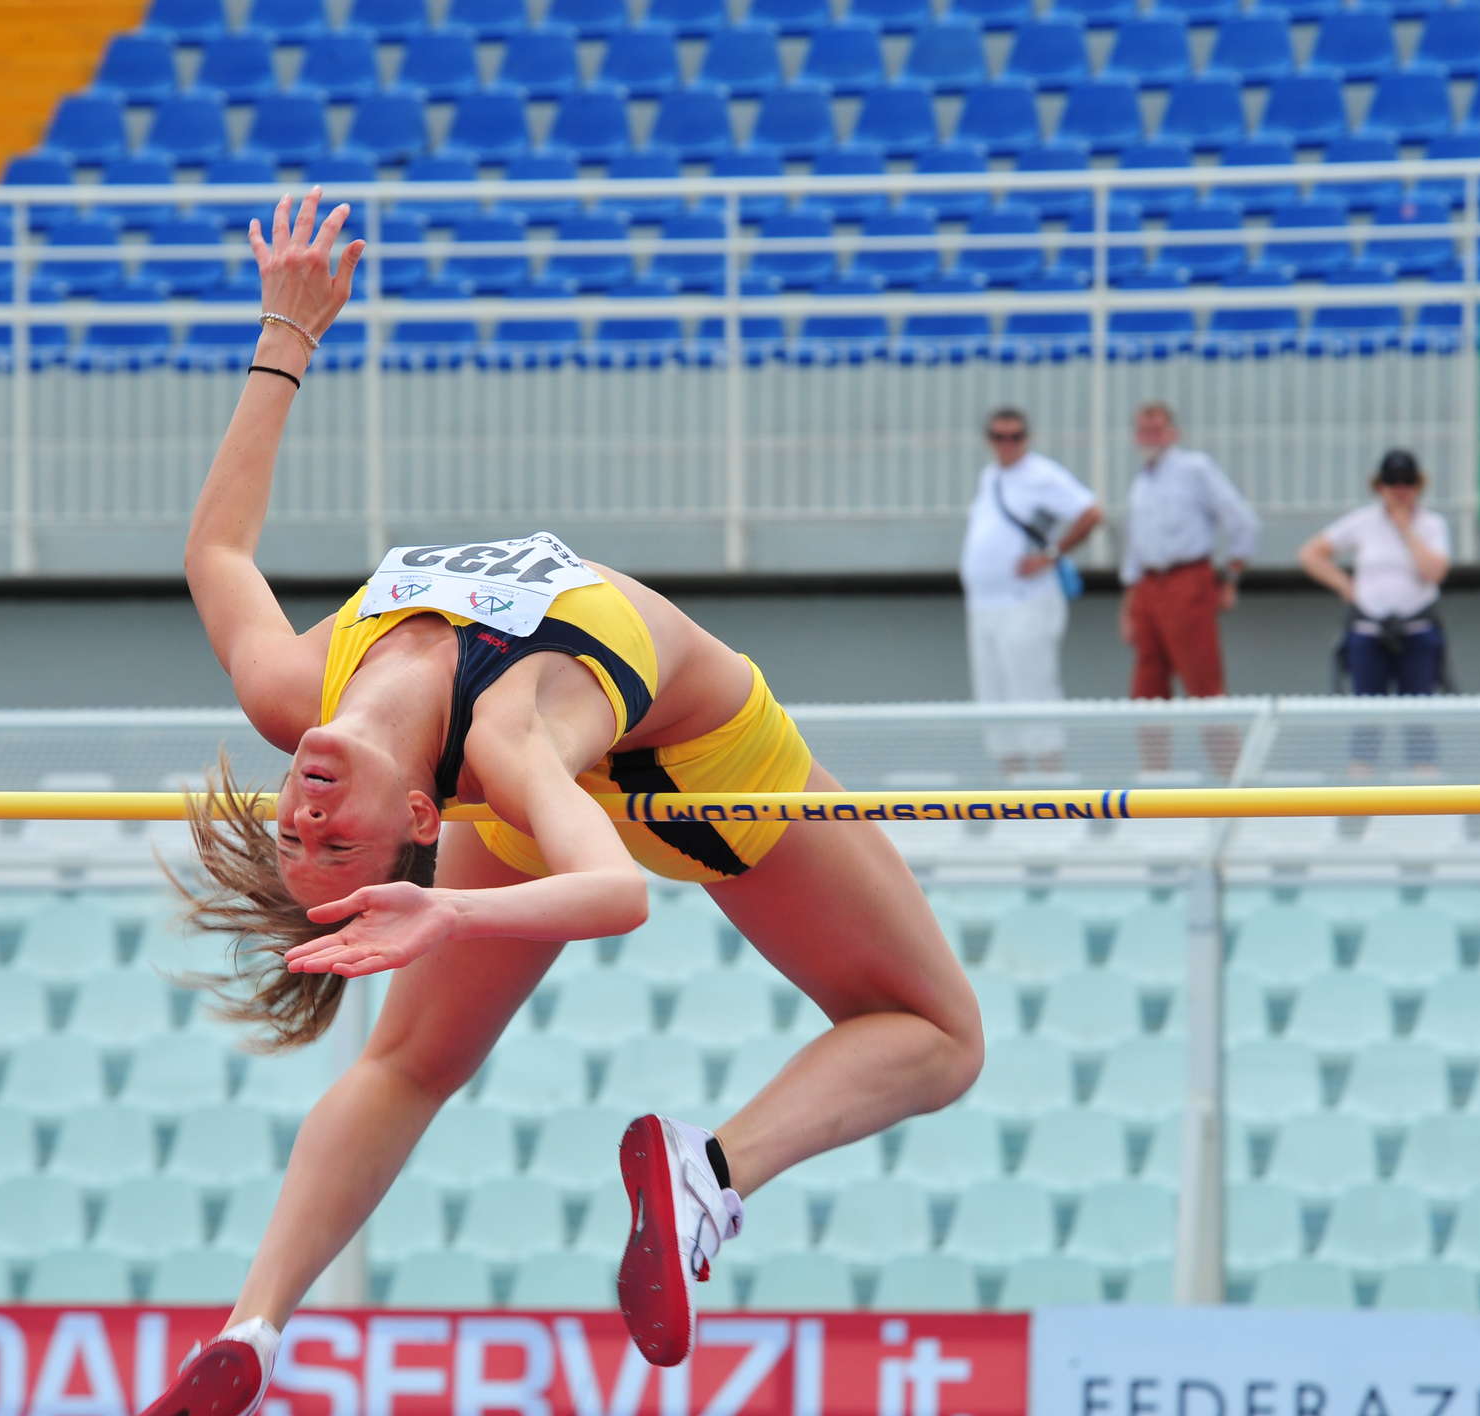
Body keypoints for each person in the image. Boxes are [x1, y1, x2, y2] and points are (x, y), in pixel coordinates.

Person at [139, 190, 983, 1415]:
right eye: (336, 840)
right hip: (703, 777)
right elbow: (615, 890)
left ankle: (256, 1330)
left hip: (566, 790)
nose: (307, 813)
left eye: (295, 830)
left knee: (410, 1062)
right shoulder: (506, 738)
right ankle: (701, 1180)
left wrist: (288, 334)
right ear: (419, 821)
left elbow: (216, 557)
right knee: (938, 1034)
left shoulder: (292, 691)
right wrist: (449, 914)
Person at [957, 406, 1102, 772]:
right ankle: (1011, 785)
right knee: (993, 697)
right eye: (999, 437)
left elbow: (1090, 513)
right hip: (984, 605)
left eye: (1015, 437)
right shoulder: (990, 476)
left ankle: (1049, 782)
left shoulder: (1042, 475)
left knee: (1032, 691)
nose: (1007, 444)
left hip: (1025, 601)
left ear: (1027, 438)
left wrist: (1051, 555)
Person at [1298, 450, 1452, 768]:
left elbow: (1434, 572)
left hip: (1417, 631)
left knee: (1419, 725)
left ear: (1418, 486)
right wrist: (1346, 587)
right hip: (1369, 633)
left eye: (1407, 482)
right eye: (1393, 482)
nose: (1400, 490)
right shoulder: (1363, 521)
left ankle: (1424, 789)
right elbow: (1310, 554)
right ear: (1380, 486)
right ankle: (1361, 788)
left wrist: (1405, 529)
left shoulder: (1432, 524)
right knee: (1366, 724)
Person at [1117, 401, 1259, 702]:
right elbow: (1136, 545)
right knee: (1147, 681)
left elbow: (1242, 522)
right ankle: (1152, 735)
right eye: (1144, 431)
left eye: (1157, 430)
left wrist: (1230, 577)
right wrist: (1130, 605)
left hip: (1186, 579)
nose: (1150, 438)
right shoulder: (1142, 481)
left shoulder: (1194, 469)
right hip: (1147, 585)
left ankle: (1220, 735)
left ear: (1173, 433)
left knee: (1202, 676)